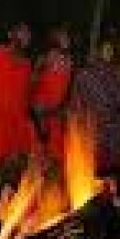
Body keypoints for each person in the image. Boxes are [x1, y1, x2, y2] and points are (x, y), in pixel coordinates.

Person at [70, 41, 120, 176]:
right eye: (106, 49)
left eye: (110, 50)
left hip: (112, 130)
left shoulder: (116, 74)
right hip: (93, 128)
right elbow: (79, 102)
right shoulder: (85, 75)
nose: (109, 53)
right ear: (97, 51)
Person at [0, 22, 36, 175]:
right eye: (22, 32)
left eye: (28, 34)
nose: (26, 37)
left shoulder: (27, 65)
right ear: (10, 34)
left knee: (9, 182)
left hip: (14, 134)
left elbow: (25, 100)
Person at [31, 28, 74, 162]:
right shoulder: (46, 57)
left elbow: (69, 87)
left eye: (67, 37)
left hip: (57, 112)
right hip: (42, 109)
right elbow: (33, 81)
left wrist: (65, 106)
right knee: (40, 146)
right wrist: (38, 109)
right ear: (55, 40)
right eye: (63, 37)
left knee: (55, 151)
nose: (66, 39)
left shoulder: (70, 60)